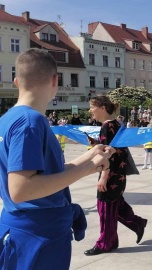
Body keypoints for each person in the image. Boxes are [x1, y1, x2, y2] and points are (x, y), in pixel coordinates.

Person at [0, 48, 113, 268]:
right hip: (38, 236)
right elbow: (22, 189)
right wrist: (88, 168)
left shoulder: (7, 120)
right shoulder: (31, 122)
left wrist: (89, 156)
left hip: (21, 229)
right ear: (55, 81)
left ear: (16, 81)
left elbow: (45, 173)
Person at [85, 96, 147, 256]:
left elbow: (109, 155)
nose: (90, 110)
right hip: (117, 174)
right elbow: (115, 149)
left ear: (103, 108)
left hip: (111, 175)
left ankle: (105, 243)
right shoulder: (115, 124)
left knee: (104, 209)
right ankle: (136, 224)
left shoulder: (108, 126)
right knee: (115, 205)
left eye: (92, 107)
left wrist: (103, 177)